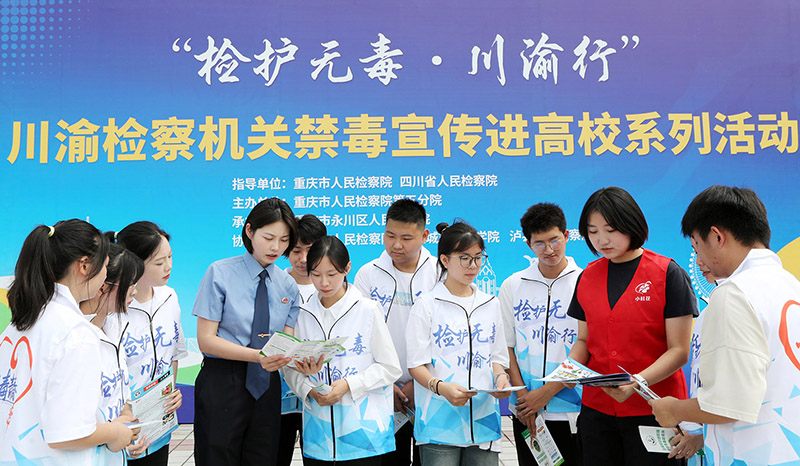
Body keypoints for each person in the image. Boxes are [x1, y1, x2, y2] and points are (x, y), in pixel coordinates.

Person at [651, 185, 800, 465]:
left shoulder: (734, 293)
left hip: (752, 455)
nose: (698, 259)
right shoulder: (790, 285)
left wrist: (674, 409)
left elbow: (729, 404)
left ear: (717, 236)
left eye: (697, 246)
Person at [566, 186, 697, 466]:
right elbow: (583, 341)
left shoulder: (667, 273)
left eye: (610, 229)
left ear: (631, 224)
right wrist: (568, 369)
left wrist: (636, 382)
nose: (601, 240)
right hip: (597, 412)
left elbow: (679, 350)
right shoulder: (587, 276)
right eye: (592, 231)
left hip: (654, 409)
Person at [0, 219, 135, 465]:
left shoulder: (21, 322)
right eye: (105, 266)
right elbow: (68, 433)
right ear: (84, 266)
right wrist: (116, 433)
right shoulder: (76, 333)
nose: (105, 276)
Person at [192, 197, 301, 466]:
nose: (276, 247)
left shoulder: (287, 285)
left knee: (263, 457)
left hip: (267, 384)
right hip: (223, 379)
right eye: (269, 238)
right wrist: (257, 356)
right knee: (217, 457)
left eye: (284, 240)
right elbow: (206, 340)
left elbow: (285, 340)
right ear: (249, 231)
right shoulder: (220, 273)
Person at [284, 235, 402, 465]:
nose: (324, 283)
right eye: (316, 275)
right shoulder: (302, 314)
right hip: (319, 435)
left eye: (332, 274)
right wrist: (309, 390)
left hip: (365, 436)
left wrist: (349, 385)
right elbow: (289, 369)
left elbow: (390, 368)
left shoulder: (368, 310)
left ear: (347, 268)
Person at [406, 221, 511, 466]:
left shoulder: (490, 303)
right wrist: (442, 388)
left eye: (478, 257)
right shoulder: (427, 305)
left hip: (484, 421)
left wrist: (501, 380)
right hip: (439, 422)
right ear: (445, 260)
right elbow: (415, 365)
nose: (472, 265)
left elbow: (497, 358)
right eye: (464, 258)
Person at [354, 198, 438, 466]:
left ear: (424, 236)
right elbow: (359, 334)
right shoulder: (368, 274)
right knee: (391, 461)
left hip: (431, 386)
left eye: (406, 238)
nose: (396, 245)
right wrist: (384, 382)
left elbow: (445, 335)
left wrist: (421, 379)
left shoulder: (440, 272)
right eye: (390, 236)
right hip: (382, 389)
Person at [499, 203, 583, 466]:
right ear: (528, 244)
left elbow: (588, 345)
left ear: (567, 236)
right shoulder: (513, 285)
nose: (549, 250)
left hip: (575, 411)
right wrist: (524, 398)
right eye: (539, 243)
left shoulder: (585, 282)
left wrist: (546, 392)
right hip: (526, 411)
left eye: (554, 240)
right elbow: (506, 346)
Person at [105, 221, 187, 465]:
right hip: (121, 431)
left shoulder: (169, 297)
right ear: (135, 263)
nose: (168, 266)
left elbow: (173, 354)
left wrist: (171, 392)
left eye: (170, 257)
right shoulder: (112, 310)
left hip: (158, 426)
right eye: (159, 262)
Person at [79, 241, 150, 464]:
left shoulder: (115, 327)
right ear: (103, 285)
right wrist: (114, 434)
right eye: (130, 284)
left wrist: (127, 423)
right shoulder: (76, 336)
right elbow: (71, 424)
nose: (135, 291)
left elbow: (118, 395)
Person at [279, 214, 327, 466]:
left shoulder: (332, 287)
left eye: (310, 250)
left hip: (319, 394)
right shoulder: (274, 284)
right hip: (279, 395)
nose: (304, 259)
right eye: (297, 250)